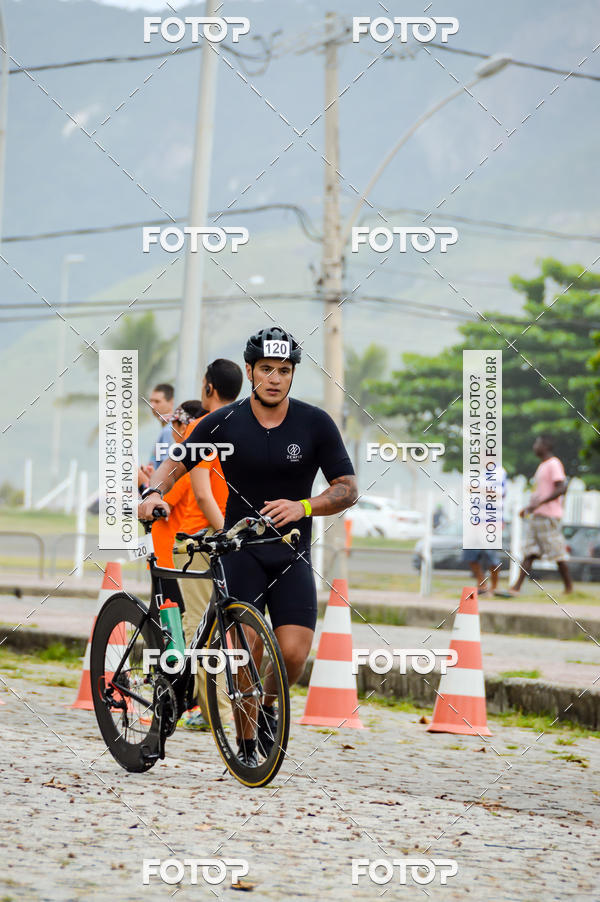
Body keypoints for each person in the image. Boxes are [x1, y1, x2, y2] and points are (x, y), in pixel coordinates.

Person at [138, 327, 358, 766]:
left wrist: (304, 506)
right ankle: (247, 745)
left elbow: (347, 488)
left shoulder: (315, 423)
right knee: (247, 649)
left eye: (283, 370)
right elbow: (176, 464)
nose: (274, 378)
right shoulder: (224, 421)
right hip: (241, 551)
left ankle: (267, 706)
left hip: (291, 551)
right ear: (250, 371)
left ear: (293, 374)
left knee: (292, 655)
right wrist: (153, 495)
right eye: (265, 370)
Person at [177, 359, 243, 730]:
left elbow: (203, 496)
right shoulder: (246, 425)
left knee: (200, 626)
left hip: (204, 541)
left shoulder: (205, 427)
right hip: (220, 539)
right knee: (216, 626)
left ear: (208, 388)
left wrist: (227, 535)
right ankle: (208, 706)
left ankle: (210, 708)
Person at [509, 436, 573, 595]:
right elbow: (541, 492)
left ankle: (569, 587)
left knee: (557, 551)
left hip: (549, 516)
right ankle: (516, 587)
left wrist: (540, 503)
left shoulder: (553, 463)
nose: (534, 446)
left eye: (536, 443)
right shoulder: (542, 466)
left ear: (545, 445)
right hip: (537, 515)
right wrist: (530, 507)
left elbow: (561, 488)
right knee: (530, 551)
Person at [149, 383, 175, 468]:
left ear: (171, 402)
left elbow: (167, 468)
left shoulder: (169, 430)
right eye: (151, 401)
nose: (152, 406)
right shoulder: (166, 428)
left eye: (157, 401)